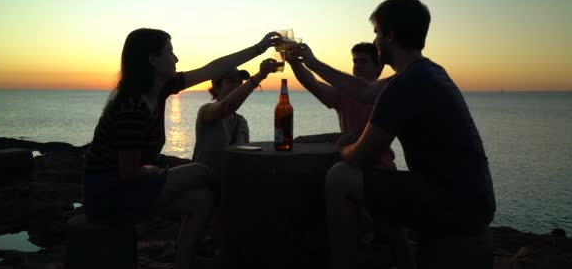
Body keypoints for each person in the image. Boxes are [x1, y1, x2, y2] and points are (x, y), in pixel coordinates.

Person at [293, 0, 496, 269]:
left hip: (452, 203)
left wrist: (342, 147)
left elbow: (359, 157)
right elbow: (364, 91)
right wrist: (312, 63)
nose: (375, 41)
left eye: (376, 33)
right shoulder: (427, 72)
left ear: (390, 36)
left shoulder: (405, 85)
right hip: (474, 198)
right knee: (384, 183)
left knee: (340, 177)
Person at [83, 28, 281, 269]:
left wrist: (259, 48)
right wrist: (159, 172)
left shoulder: (160, 91)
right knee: (200, 172)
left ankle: (183, 263)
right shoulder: (131, 107)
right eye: (170, 52)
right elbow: (129, 172)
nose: (176, 58)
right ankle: (234, 242)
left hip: (126, 187)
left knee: (202, 200)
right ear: (152, 60)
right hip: (108, 194)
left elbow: (213, 67)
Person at [288, 42, 395, 167]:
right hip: (352, 163)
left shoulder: (386, 94)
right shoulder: (345, 95)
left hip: (380, 167)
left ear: (379, 67)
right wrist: (294, 62)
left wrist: (316, 139)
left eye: (363, 61)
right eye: (355, 61)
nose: (357, 66)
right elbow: (314, 84)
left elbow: (356, 136)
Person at [192, 59, 279, 171]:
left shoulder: (241, 122)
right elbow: (226, 106)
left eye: (239, 82)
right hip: (205, 182)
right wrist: (260, 76)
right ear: (216, 87)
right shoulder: (206, 111)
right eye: (231, 81)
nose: (238, 86)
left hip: (231, 182)